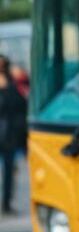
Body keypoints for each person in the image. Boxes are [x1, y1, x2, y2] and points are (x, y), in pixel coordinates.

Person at [0, 55, 27, 215]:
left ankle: (6, 203)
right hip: (7, 133)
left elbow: (22, 106)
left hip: (9, 135)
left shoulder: (14, 84)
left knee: (9, 171)